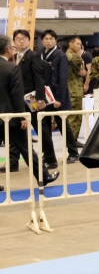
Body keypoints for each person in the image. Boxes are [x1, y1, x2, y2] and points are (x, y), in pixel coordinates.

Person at [0, 35, 55, 186]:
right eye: (12, 46)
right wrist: (22, 116)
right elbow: (17, 95)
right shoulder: (12, 68)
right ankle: (43, 177)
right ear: (7, 50)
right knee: (27, 150)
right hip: (11, 116)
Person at [11, 28, 57, 171]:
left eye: (24, 39)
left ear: (29, 41)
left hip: (33, 99)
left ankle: (50, 158)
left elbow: (39, 79)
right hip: (18, 99)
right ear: (14, 42)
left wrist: (40, 99)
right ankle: (13, 162)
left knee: (41, 129)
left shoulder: (33, 56)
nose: (21, 41)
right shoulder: (14, 57)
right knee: (17, 130)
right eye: (18, 39)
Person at [40, 30, 79, 164]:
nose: (48, 41)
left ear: (55, 41)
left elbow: (63, 78)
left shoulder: (60, 55)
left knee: (63, 125)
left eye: (51, 38)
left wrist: (59, 99)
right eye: (46, 38)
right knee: (44, 127)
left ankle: (73, 152)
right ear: (42, 41)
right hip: (44, 96)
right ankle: (48, 154)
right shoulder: (41, 54)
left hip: (57, 97)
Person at [66, 37, 88, 144]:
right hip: (74, 89)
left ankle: (72, 139)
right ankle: (72, 140)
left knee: (73, 115)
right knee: (75, 115)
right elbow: (82, 71)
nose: (79, 46)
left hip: (71, 88)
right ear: (70, 44)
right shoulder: (74, 57)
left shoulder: (66, 55)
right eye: (77, 44)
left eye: (80, 44)